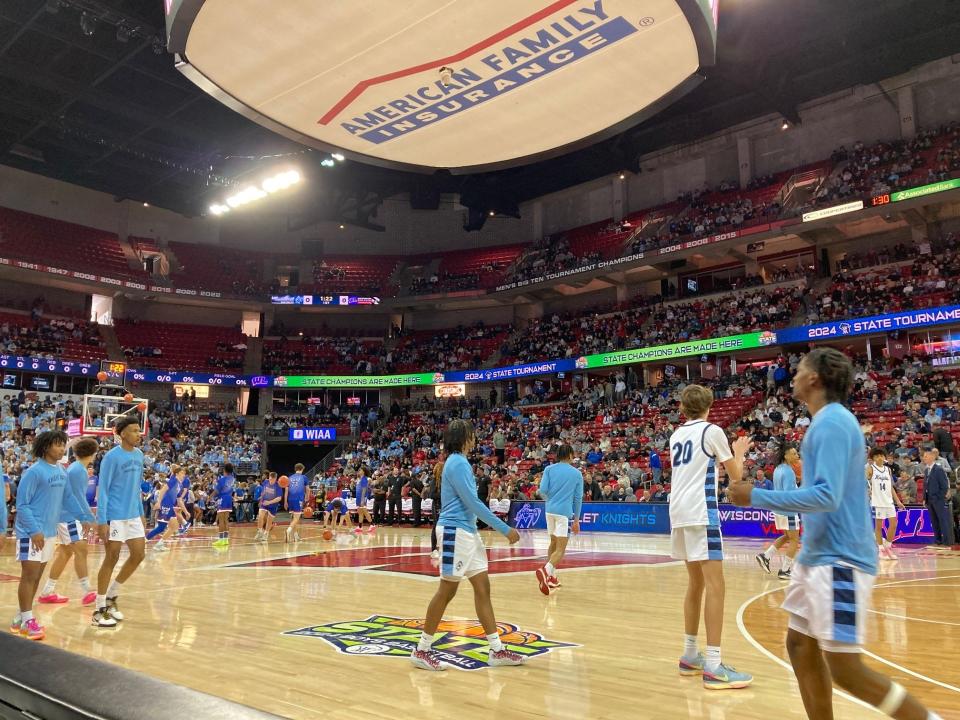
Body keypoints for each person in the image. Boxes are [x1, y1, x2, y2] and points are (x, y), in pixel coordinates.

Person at [730, 348, 942, 720]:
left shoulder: (831, 424)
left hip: (840, 559)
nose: (792, 375)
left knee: (846, 669)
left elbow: (826, 495)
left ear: (815, 378)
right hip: (818, 556)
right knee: (799, 646)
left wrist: (757, 495)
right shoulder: (827, 423)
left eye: (800, 369)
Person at [410, 419, 524, 671]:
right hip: (454, 531)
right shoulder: (458, 463)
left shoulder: (457, 462)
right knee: (446, 591)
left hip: (468, 533)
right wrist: (504, 528)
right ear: (464, 437)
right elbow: (473, 503)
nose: (474, 439)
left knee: (483, 588)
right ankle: (422, 649)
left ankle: (496, 650)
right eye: (471, 435)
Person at [669, 384, 752, 689]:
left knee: (696, 583)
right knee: (716, 586)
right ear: (710, 406)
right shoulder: (712, 431)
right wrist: (739, 452)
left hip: (678, 513)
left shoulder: (676, 435)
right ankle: (714, 666)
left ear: (682, 408)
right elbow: (737, 477)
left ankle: (691, 654)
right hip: (701, 512)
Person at [11, 430, 70, 641]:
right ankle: (27, 620)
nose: (62, 449)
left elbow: (63, 501)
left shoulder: (62, 471)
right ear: (46, 447)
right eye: (58, 445)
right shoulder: (34, 472)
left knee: (36, 577)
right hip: (31, 533)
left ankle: (20, 616)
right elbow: (22, 504)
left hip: (49, 533)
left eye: (63, 445)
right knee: (29, 576)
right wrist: (34, 530)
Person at [94, 417, 147, 628]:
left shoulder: (139, 455)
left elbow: (136, 487)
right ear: (122, 433)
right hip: (114, 515)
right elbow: (103, 489)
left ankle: (112, 595)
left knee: (139, 554)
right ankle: (99, 609)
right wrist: (102, 520)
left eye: (138, 430)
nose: (138, 434)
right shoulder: (111, 457)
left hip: (133, 513)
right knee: (112, 557)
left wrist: (141, 512)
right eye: (134, 430)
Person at [38, 437, 100, 606]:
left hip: (63, 515)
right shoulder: (79, 470)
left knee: (65, 552)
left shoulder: (75, 467)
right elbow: (78, 498)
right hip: (67, 516)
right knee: (81, 550)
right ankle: (88, 590)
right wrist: (90, 519)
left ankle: (47, 591)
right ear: (93, 454)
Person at [534, 444, 583, 594]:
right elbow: (577, 498)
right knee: (561, 549)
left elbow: (541, 491)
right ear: (569, 455)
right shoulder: (576, 474)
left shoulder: (549, 469)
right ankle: (546, 571)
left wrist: (550, 500)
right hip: (563, 513)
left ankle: (552, 578)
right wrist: (576, 520)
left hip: (549, 510)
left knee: (553, 543)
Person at [756, 441, 802, 580]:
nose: (797, 455)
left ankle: (766, 556)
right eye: (794, 453)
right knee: (795, 539)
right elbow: (790, 494)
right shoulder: (788, 471)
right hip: (788, 509)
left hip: (779, 509)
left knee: (788, 536)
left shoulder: (778, 469)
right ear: (786, 456)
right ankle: (785, 570)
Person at [868, 448, 905, 560]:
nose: (879, 458)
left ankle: (888, 546)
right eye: (877, 456)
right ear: (873, 458)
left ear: (884, 457)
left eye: (881, 455)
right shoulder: (871, 469)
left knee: (893, 524)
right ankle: (880, 549)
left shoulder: (888, 470)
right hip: (877, 502)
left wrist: (897, 501)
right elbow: (863, 482)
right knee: (879, 526)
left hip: (889, 501)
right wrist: (868, 490)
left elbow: (890, 487)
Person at [923, 448, 953, 547]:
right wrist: (924, 498)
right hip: (929, 500)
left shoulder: (939, 469)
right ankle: (938, 541)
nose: (924, 458)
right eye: (924, 456)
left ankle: (946, 542)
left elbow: (944, 486)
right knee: (934, 521)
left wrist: (938, 497)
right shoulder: (927, 470)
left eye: (926, 456)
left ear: (932, 457)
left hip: (938, 500)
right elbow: (925, 486)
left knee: (942, 520)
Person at [145, 474, 180, 552]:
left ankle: (159, 544)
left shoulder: (178, 484)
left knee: (174, 527)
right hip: (166, 505)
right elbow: (162, 491)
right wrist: (159, 502)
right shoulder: (172, 481)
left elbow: (178, 498)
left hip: (170, 506)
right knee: (161, 528)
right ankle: (144, 541)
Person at [213, 463, 236, 548]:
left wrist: (210, 497)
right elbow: (229, 465)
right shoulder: (232, 478)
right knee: (226, 520)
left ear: (224, 470)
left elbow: (216, 491)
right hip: (229, 499)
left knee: (221, 521)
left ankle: (221, 539)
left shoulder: (222, 480)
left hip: (222, 499)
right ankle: (226, 540)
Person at [256, 473, 282, 542]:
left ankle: (266, 534)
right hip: (264, 503)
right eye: (270, 479)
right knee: (260, 516)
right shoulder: (266, 482)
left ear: (275, 479)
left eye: (272, 480)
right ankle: (259, 531)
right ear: (269, 478)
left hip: (273, 505)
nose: (271, 481)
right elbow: (263, 492)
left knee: (269, 520)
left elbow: (279, 498)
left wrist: (269, 502)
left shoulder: (278, 485)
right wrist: (261, 500)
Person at [285, 463, 308, 542]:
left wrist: (285, 501)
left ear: (295, 469)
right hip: (298, 499)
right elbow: (307, 489)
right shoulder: (304, 477)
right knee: (296, 518)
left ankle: (296, 536)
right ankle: (288, 530)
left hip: (290, 499)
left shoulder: (289, 478)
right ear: (302, 469)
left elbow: (286, 491)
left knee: (294, 518)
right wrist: (307, 498)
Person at [354, 467, 374, 534]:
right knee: (360, 512)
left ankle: (372, 525)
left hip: (362, 497)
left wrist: (362, 499)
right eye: (359, 470)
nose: (359, 471)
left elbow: (365, 489)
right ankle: (360, 527)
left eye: (360, 470)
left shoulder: (366, 479)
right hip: (358, 497)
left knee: (365, 511)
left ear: (364, 471)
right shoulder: (358, 479)